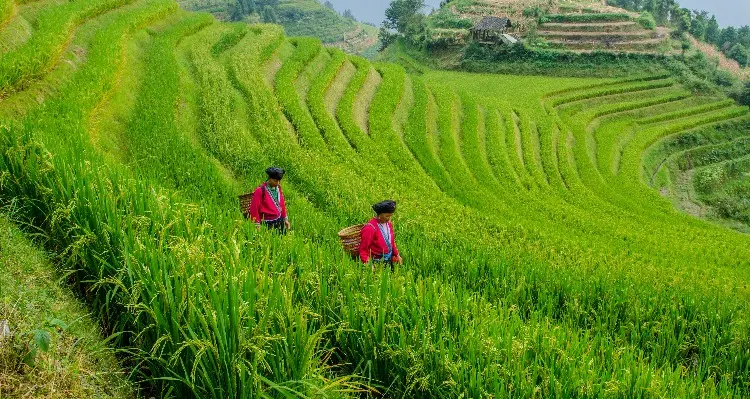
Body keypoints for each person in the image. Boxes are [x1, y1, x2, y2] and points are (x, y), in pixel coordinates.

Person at [359, 200, 402, 270]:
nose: (389, 218)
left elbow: (391, 242)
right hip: (377, 262)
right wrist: (368, 263)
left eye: (391, 216)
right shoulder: (370, 228)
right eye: (387, 216)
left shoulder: (389, 224)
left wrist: (397, 254)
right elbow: (363, 249)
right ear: (379, 214)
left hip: (389, 260)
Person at [249, 167, 290, 233]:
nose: (278, 183)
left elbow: (282, 204)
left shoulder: (278, 188)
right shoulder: (260, 190)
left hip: (279, 220)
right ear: (269, 179)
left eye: (279, 181)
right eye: (275, 181)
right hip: (266, 224)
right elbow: (254, 208)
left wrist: (285, 219)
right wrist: (257, 224)